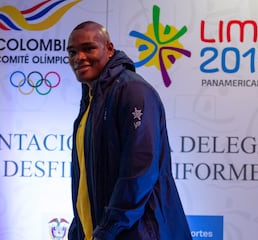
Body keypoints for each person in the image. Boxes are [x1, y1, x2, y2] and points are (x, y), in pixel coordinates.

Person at [66, 20, 192, 240]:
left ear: (109, 49)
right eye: (72, 52)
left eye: (88, 48)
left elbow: (139, 172)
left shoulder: (132, 91)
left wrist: (108, 229)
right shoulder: (91, 100)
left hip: (138, 233)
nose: (79, 58)